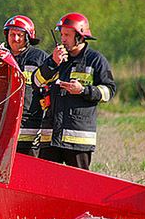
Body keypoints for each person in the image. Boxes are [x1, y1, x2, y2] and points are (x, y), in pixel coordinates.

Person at [32, 12, 116, 169]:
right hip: (50, 137)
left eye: (67, 35)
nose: (63, 39)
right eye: (62, 34)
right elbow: (36, 82)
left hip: (78, 140)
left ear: (80, 36)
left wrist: (83, 90)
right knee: (46, 184)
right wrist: (52, 63)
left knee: (78, 187)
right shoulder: (56, 58)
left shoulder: (95, 60)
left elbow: (109, 91)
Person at [0, 15, 48, 157]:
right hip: (3, 124)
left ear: (28, 37)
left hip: (31, 124)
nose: (15, 38)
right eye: (12, 34)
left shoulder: (39, 58)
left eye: (19, 35)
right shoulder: (0, 56)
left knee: (29, 168)